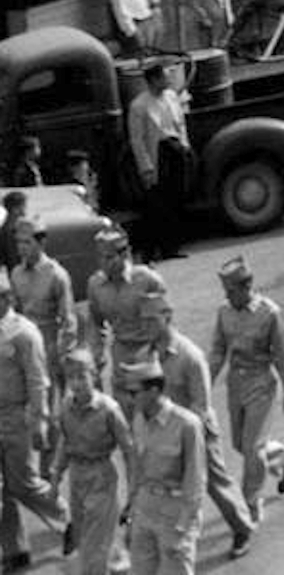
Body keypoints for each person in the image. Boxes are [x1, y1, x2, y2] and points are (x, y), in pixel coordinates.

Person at [139, 293, 254, 559]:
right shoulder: (148, 355)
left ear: (167, 317)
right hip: (163, 430)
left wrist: (185, 436)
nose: (145, 326)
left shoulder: (189, 356)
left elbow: (201, 404)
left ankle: (242, 527)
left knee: (214, 481)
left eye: (151, 319)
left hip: (196, 430)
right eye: (142, 320)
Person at [209, 257, 284, 524]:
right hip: (236, 386)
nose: (228, 296)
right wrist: (204, 381)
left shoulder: (269, 314)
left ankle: (251, 501)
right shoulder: (224, 312)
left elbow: (283, 356)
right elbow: (217, 351)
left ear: (247, 286)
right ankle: (282, 456)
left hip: (261, 383)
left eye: (232, 291)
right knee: (241, 444)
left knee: (252, 447)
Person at [0, 266, 68, 571]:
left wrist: (39, 420)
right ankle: (14, 549)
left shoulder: (24, 332)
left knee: (24, 483)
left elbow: (38, 380)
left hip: (17, 417)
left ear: (7, 298)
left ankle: (69, 521)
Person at [49, 349, 134, 575]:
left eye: (81, 376)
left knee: (93, 548)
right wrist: (56, 477)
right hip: (77, 478)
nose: (76, 384)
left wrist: (133, 491)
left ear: (94, 376)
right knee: (85, 537)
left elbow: (129, 450)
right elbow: (65, 443)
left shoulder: (109, 410)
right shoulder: (67, 406)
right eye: (71, 378)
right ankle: (118, 566)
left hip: (101, 477)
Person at [121, 355, 205, 575]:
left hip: (174, 511)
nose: (130, 399)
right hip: (145, 508)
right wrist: (132, 511)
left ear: (154, 390)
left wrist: (184, 527)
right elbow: (137, 469)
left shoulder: (187, 425)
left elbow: (195, 480)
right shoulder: (139, 420)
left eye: (134, 392)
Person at [86, 228, 167, 420]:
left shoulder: (147, 280)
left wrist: (163, 356)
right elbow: (96, 325)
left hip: (148, 355)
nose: (104, 263)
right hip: (121, 357)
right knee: (124, 419)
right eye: (100, 258)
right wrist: (95, 359)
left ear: (125, 254)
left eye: (109, 257)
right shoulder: (96, 285)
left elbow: (164, 324)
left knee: (155, 419)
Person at [11, 215, 77, 443]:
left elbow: (69, 319)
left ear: (41, 243)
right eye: (19, 243)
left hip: (49, 346)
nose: (22, 248)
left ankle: (51, 462)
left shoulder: (56, 275)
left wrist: (63, 353)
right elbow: (15, 313)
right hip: (22, 345)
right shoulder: (16, 274)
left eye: (27, 242)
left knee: (47, 405)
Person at [127, 59, 192, 262]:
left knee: (176, 199)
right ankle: (150, 250)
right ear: (154, 80)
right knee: (156, 204)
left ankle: (171, 247)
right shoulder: (139, 105)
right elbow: (137, 140)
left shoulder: (172, 97)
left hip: (175, 150)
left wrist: (185, 145)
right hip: (158, 154)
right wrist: (146, 167)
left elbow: (180, 123)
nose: (169, 79)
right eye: (165, 76)